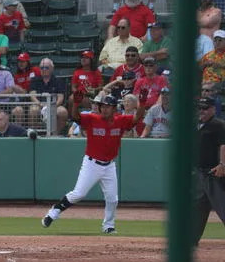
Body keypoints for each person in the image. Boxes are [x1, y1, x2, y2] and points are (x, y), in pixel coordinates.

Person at [42, 90, 147, 234]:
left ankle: (108, 225)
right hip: (91, 164)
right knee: (78, 194)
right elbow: (76, 117)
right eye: (102, 106)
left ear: (114, 108)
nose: (103, 108)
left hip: (109, 165)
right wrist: (76, 104)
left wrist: (143, 103)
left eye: (107, 106)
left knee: (112, 199)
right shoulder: (92, 119)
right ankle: (53, 212)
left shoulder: (121, 121)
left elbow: (137, 118)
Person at [193, 96, 225, 249]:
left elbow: (224, 145)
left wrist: (222, 164)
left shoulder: (218, 124)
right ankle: (191, 240)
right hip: (200, 174)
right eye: (200, 108)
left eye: (205, 108)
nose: (202, 111)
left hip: (215, 172)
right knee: (198, 210)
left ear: (213, 109)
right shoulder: (197, 125)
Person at [29, 57, 68, 134]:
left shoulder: (58, 81)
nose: (44, 69)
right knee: (33, 110)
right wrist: (40, 105)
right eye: (41, 68)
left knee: (62, 112)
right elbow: (32, 96)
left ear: (52, 68)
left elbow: (60, 98)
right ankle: (37, 134)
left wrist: (51, 107)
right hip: (39, 104)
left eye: (46, 67)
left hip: (54, 105)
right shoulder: (34, 80)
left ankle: (56, 134)